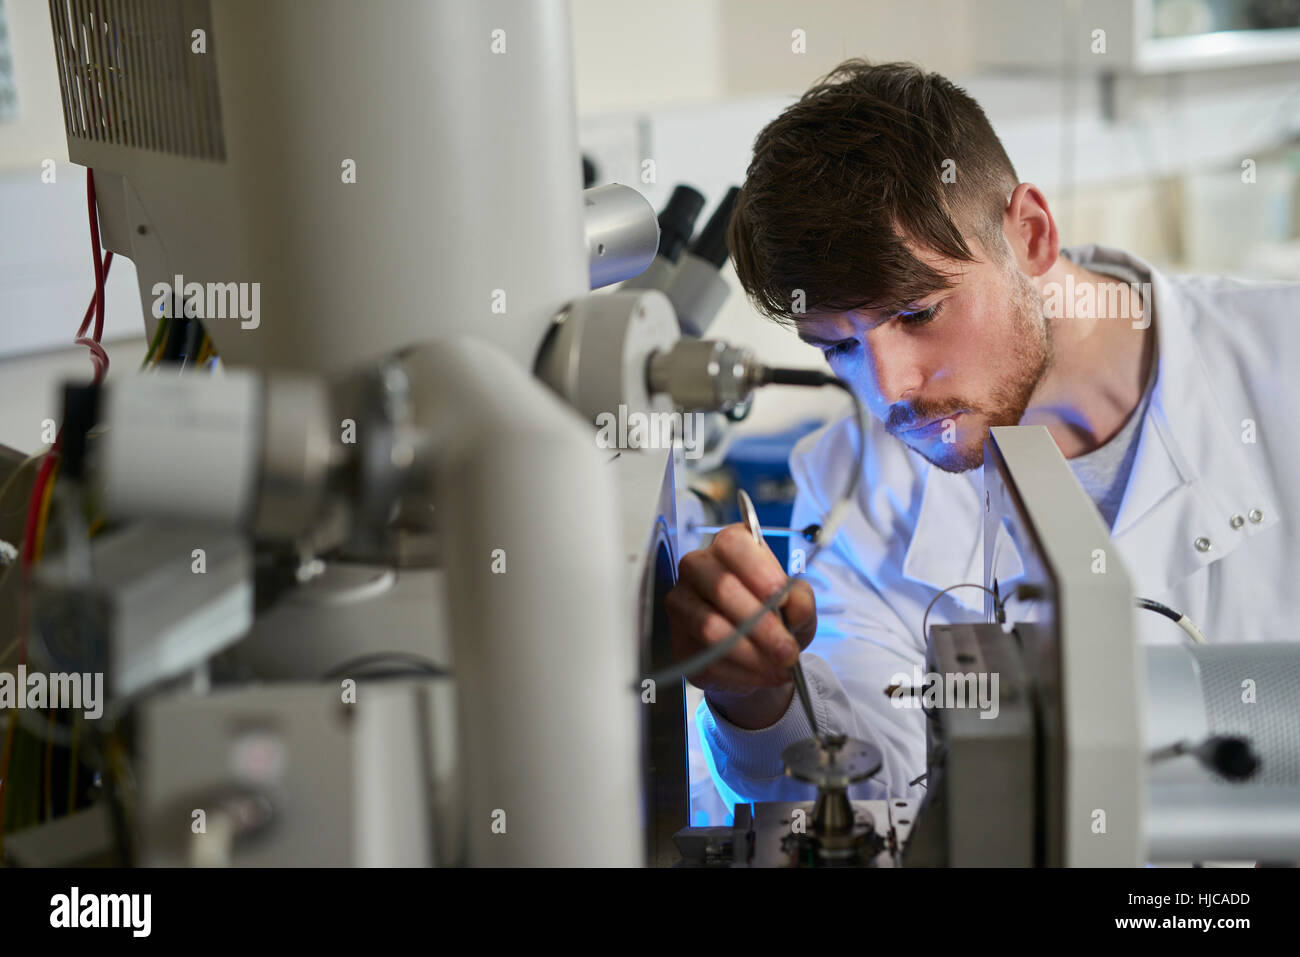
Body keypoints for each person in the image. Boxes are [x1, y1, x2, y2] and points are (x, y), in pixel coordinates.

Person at [666, 60, 1298, 806]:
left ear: (1029, 235)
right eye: (838, 346)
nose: (889, 388)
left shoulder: (1279, 361)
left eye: (918, 313)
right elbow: (865, 790)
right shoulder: (848, 485)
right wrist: (755, 695)